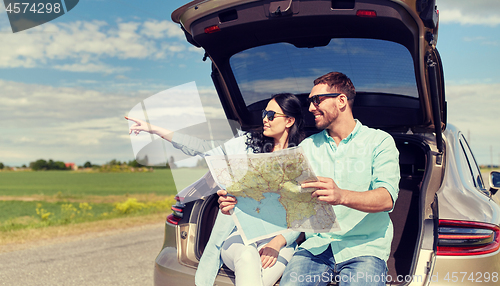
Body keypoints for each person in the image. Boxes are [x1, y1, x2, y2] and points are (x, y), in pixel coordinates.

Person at [218, 72, 400, 286]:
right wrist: (239, 202)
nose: (311, 107)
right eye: (310, 102)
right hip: (315, 248)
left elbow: (386, 198)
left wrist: (341, 196)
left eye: (317, 100)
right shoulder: (307, 148)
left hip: (364, 249)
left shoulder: (379, 142)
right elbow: (283, 200)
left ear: (341, 101)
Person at [126, 93, 305, 286]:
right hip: (239, 236)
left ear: (289, 121)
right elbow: (202, 147)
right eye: (264, 113)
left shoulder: (301, 158)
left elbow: (305, 213)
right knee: (246, 256)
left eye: (271, 114)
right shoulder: (246, 145)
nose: (264, 119)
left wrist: (278, 242)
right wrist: (155, 130)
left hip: (279, 240)